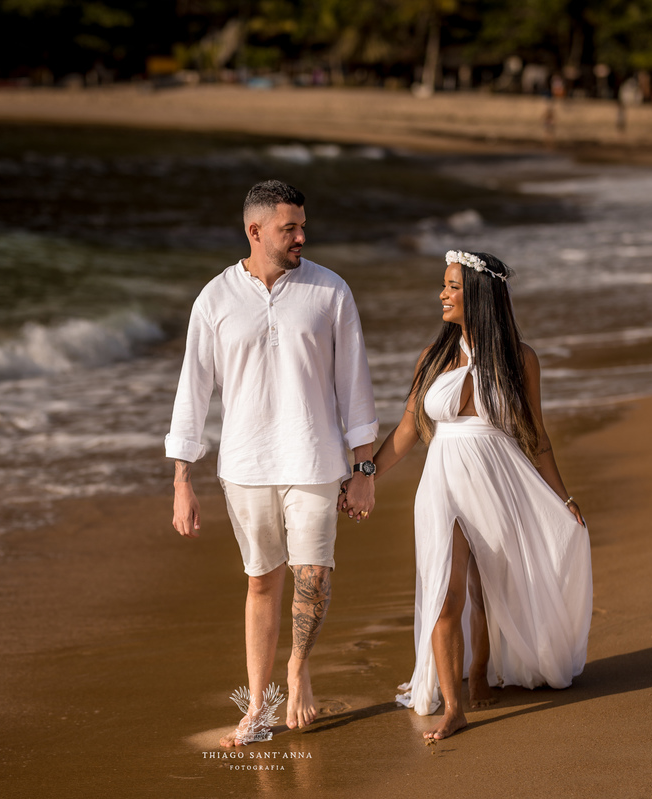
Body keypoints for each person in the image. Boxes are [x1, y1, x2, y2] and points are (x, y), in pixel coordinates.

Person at [345, 249, 592, 740]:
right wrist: (365, 472)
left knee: (487, 586)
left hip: (499, 479)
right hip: (442, 482)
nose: (442, 293)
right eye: (444, 284)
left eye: (453, 286)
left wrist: (562, 498)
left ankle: (479, 668)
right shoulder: (432, 357)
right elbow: (410, 431)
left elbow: (536, 437)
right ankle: (453, 706)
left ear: (478, 294)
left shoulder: (520, 359)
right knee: (445, 591)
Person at [167, 180, 379, 747]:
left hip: (315, 458)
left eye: (303, 226)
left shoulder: (330, 291)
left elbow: (354, 384)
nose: (302, 237)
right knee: (262, 580)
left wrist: (364, 470)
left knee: (313, 573)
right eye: (290, 228)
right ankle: (257, 704)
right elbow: (194, 390)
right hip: (245, 463)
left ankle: (298, 666)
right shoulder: (214, 299)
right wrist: (182, 477)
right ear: (254, 230)